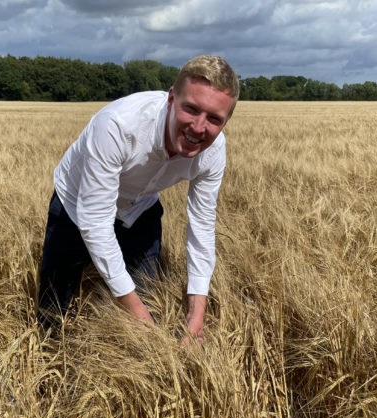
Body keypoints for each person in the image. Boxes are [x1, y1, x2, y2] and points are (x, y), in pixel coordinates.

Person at [37, 55, 238, 345]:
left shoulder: (214, 151)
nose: (198, 127)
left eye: (214, 119)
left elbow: (202, 228)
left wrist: (195, 319)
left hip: (139, 208)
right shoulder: (118, 125)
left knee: (146, 306)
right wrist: (138, 316)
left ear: (225, 121)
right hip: (76, 205)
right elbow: (94, 221)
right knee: (53, 316)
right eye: (191, 109)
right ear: (171, 98)